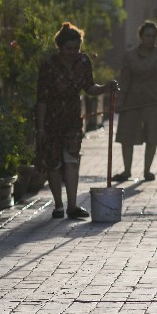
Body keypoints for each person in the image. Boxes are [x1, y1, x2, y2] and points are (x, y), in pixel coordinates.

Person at [36, 22, 118, 219]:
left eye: (76, 48)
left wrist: (106, 87)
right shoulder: (49, 65)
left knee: (72, 160)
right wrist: (40, 128)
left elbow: (89, 87)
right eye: (69, 49)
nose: (73, 52)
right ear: (60, 47)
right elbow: (41, 98)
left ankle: (72, 206)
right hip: (51, 120)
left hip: (73, 118)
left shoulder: (83, 61)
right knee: (54, 163)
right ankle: (58, 205)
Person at [113, 21, 157, 182]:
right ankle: (126, 171)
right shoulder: (130, 55)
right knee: (127, 136)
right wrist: (120, 100)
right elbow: (124, 80)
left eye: (153, 36)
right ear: (141, 36)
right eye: (147, 36)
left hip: (154, 101)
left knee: (153, 135)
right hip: (132, 101)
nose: (150, 39)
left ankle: (147, 170)